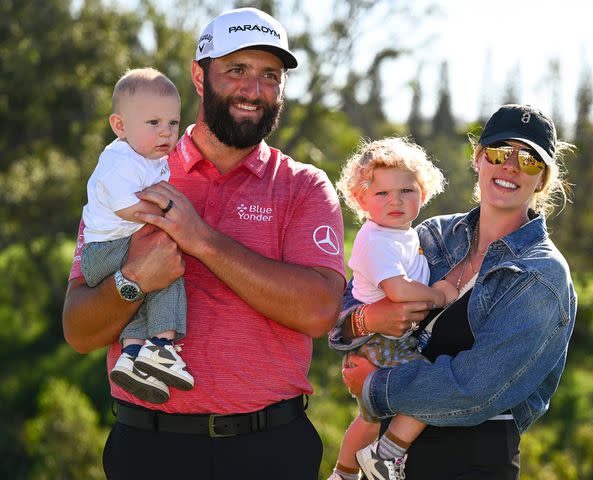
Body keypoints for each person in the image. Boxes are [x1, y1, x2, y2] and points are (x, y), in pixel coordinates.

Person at [62, 7, 346, 479]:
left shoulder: (305, 186)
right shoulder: (131, 170)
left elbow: (318, 311)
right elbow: (79, 330)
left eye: (270, 76)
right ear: (199, 76)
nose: (254, 91)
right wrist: (132, 280)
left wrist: (202, 241)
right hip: (149, 448)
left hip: (270, 448)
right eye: (236, 70)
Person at [331, 104, 577, 479]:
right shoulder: (431, 235)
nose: (510, 166)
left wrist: (376, 386)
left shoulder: (542, 274)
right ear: (478, 158)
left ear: (541, 179)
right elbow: (346, 320)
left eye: (528, 159)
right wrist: (367, 321)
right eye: (498, 152)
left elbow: (474, 389)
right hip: (387, 461)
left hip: (472, 461)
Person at [328, 137, 458, 480]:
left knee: (369, 417)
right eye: (382, 194)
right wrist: (438, 295)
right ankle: (387, 455)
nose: (395, 201)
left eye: (406, 191)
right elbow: (398, 292)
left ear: (423, 194)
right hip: (379, 340)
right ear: (361, 200)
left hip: (390, 337)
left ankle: (343, 473)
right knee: (431, 389)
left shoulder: (407, 234)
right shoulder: (376, 239)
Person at [80, 67, 192, 405]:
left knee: (142, 295)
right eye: (154, 123)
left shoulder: (148, 157)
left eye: (173, 123)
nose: (166, 133)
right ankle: (162, 347)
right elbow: (129, 209)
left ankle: (132, 358)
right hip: (106, 251)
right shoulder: (119, 160)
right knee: (167, 273)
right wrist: (171, 217)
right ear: (120, 126)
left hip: (116, 247)